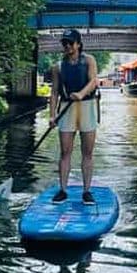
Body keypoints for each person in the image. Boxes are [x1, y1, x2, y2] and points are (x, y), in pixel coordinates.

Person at [49, 28, 99, 205]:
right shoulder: (58, 66)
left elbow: (94, 81)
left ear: (78, 44)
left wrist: (81, 93)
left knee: (87, 152)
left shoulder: (89, 60)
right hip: (67, 107)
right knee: (65, 151)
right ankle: (62, 190)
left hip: (87, 106)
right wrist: (52, 115)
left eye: (70, 43)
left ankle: (86, 191)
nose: (67, 46)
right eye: (64, 43)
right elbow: (54, 92)